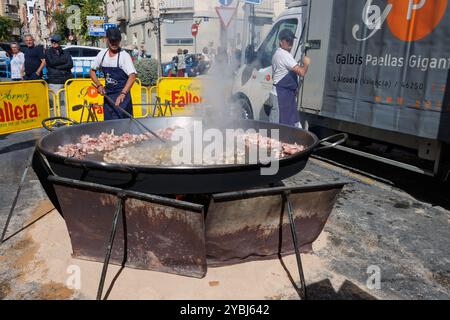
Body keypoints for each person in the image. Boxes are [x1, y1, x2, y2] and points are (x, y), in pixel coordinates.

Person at [90, 28, 137, 121]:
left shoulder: (124, 56)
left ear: (119, 40)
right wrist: (99, 85)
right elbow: (92, 71)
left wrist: (123, 93)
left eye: (116, 41)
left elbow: (132, 76)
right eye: (111, 41)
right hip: (108, 96)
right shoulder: (102, 54)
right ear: (107, 39)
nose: (114, 43)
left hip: (122, 97)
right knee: (108, 123)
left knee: (122, 124)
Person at [269, 29, 310, 128]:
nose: (290, 43)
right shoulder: (283, 55)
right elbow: (302, 72)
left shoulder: (278, 53)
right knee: (277, 127)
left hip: (285, 95)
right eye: (287, 40)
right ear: (281, 41)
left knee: (286, 126)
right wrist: (306, 63)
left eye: (291, 40)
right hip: (280, 95)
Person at [45, 34, 73, 115]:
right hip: (55, 81)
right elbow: (51, 62)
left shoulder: (65, 52)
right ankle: (57, 120)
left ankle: (67, 119)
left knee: (67, 102)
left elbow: (70, 64)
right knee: (56, 102)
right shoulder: (48, 52)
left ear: (59, 42)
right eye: (53, 41)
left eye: (56, 41)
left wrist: (58, 66)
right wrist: (64, 62)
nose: (54, 43)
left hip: (66, 80)